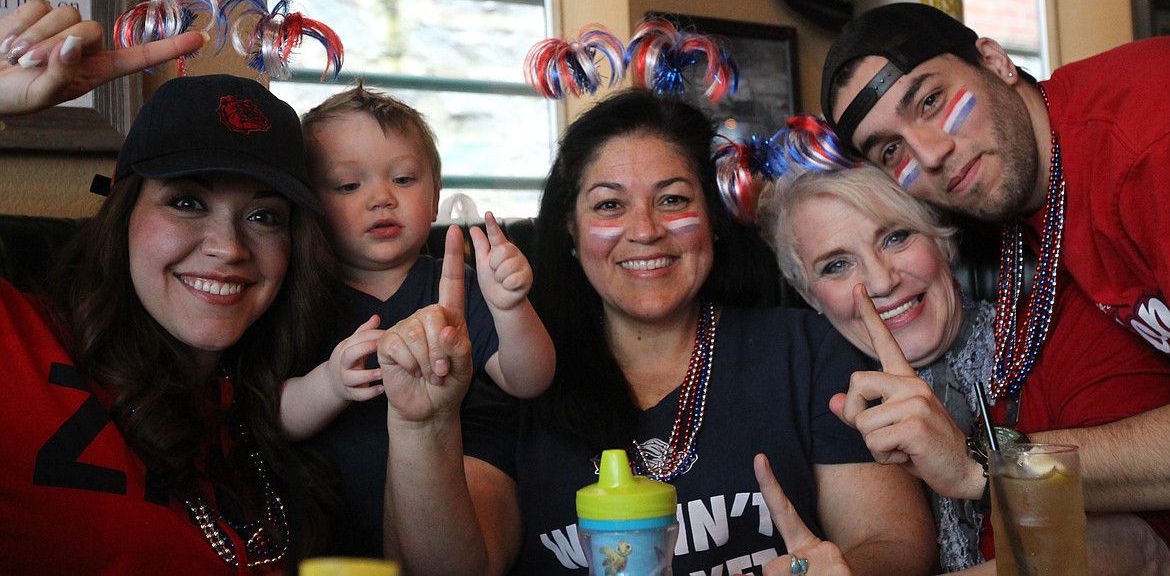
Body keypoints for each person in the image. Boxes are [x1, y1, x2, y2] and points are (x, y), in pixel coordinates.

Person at [374, 89, 937, 575]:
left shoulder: (809, 350)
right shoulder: (515, 371)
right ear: (570, 230)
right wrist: (423, 422)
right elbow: (451, 570)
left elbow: (894, 543)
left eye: (672, 199)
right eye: (609, 205)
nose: (644, 231)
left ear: (713, 220)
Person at [0, 0, 338, 572]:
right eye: (186, 202)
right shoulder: (21, 350)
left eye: (263, 216)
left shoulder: (287, 400)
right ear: (123, 213)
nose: (228, 247)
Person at [753, 115, 1170, 572]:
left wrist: (974, 465)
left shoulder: (1064, 330)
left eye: (896, 236)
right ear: (812, 296)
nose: (880, 281)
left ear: (942, 237)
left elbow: (1132, 544)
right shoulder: (824, 409)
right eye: (836, 266)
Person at [820, 1, 1170, 510]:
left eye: (931, 101)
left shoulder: (1146, 148)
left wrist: (981, 467)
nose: (930, 152)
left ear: (994, 60)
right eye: (891, 151)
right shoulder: (1032, 198)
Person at [276, 84, 555, 556]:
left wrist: (509, 308)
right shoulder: (302, 297)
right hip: (334, 525)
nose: (381, 198)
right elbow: (273, 417)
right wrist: (329, 384)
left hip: (452, 510)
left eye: (403, 179)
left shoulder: (460, 284)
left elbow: (529, 379)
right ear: (310, 206)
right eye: (348, 185)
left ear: (434, 198)